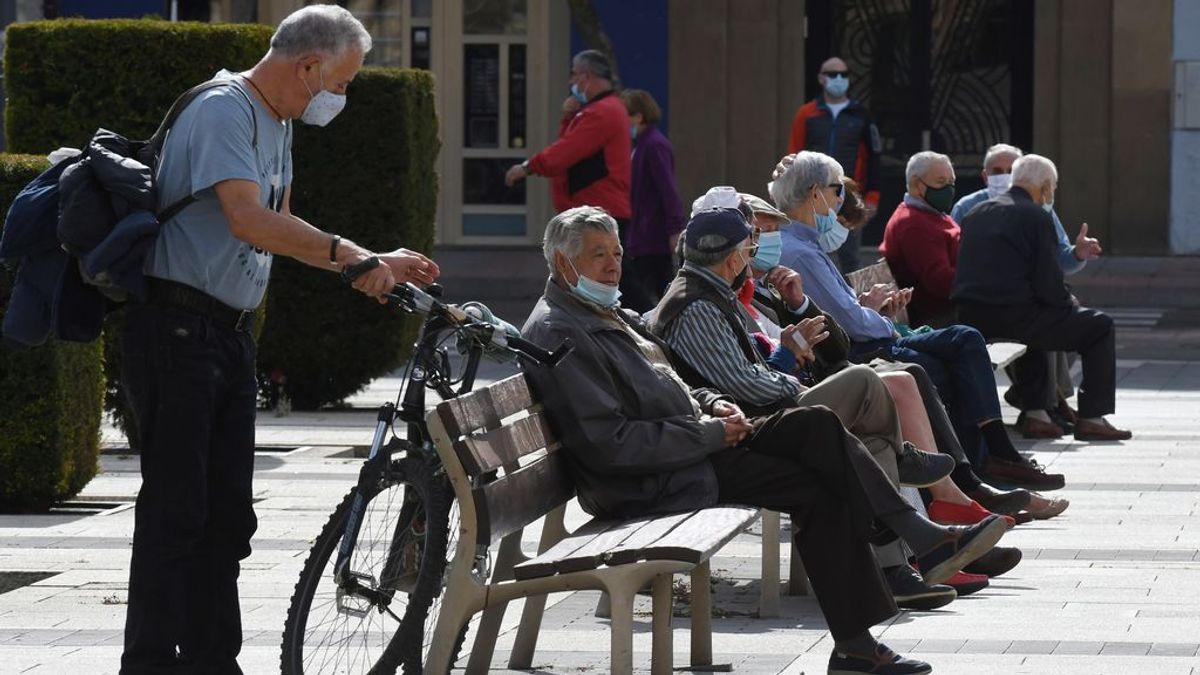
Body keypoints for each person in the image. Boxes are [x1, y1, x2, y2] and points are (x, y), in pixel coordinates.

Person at [522, 205, 1009, 675]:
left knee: (816, 444)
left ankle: (863, 633)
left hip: (689, 453)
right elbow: (612, 444)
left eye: (617, 252)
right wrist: (710, 432)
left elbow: (673, 382)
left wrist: (712, 404)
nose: (613, 265)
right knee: (818, 443)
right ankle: (913, 539)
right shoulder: (561, 331)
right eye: (598, 255)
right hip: (653, 479)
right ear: (565, 263)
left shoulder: (607, 313)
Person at [120, 7, 439, 673]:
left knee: (228, 517)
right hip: (177, 330)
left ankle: (212, 660)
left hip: (226, 337)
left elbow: (281, 223)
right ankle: (148, 663)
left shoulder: (279, 120)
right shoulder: (223, 108)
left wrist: (368, 258)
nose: (341, 96)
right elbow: (245, 218)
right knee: (175, 514)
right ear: (308, 66)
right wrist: (352, 253)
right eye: (343, 81)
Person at [771, 151, 1065, 491]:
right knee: (942, 363)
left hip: (874, 335)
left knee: (964, 341)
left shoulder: (810, 245)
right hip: (863, 347)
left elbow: (847, 311)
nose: (841, 201)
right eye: (838, 191)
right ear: (814, 193)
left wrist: (872, 309)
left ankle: (987, 461)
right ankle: (975, 471)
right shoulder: (801, 250)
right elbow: (853, 322)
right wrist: (882, 321)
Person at [953, 154, 1132, 442]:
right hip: (1015, 317)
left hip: (973, 316)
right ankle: (1092, 417)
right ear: (1046, 186)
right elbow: (1048, 283)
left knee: (1040, 324)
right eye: (1053, 188)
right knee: (1099, 325)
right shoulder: (1036, 216)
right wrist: (1067, 305)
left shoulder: (977, 212)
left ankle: (1037, 414)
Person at [504, 50, 650, 311]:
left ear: (586, 76)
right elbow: (570, 147)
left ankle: (652, 329)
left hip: (597, 213)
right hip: (595, 211)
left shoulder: (601, 112)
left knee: (611, 276)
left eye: (574, 74)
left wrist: (528, 167)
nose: (571, 81)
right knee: (600, 275)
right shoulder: (600, 110)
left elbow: (565, 153)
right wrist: (568, 118)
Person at [786, 56, 882, 275]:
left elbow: (874, 157)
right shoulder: (806, 114)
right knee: (811, 252)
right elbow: (794, 155)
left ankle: (851, 303)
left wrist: (872, 197)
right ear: (821, 78)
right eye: (832, 74)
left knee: (850, 259)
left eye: (843, 75)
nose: (838, 79)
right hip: (812, 197)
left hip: (848, 196)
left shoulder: (862, 115)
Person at [878, 151, 960, 327]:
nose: (949, 189)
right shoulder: (913, 223)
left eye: (951, 182)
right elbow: (940, 282)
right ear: (916, 185)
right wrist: (979, 277)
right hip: (936, 318)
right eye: (941, 182)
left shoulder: (934, 214)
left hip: (950, 308)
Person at [621, 88, 685, 302]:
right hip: (644, 236)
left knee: (652, 295)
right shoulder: (641, 146)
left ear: (638, 116)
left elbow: (668, 190)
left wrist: (674, 229)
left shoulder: (653, 145)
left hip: (653, 237)